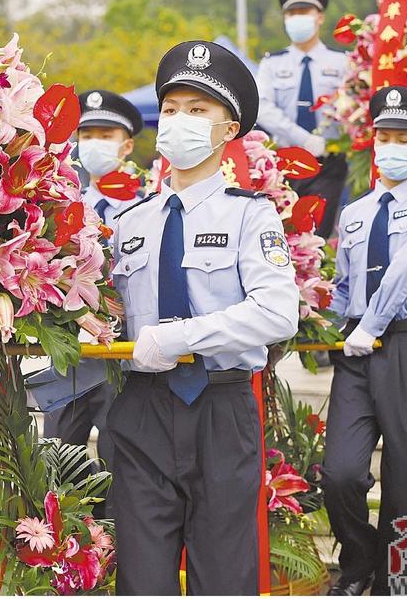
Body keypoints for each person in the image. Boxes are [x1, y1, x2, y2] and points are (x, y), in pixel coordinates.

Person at [107, 40, 299, 595]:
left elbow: (277, 311)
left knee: (224, 574)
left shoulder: (251, 215)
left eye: (198, 111)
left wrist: (182, 336)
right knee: (142, 578)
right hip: (143, 410)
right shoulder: (130, 222)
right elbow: (111, 317)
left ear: (228, 129)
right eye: (170, 110)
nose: (178, 122)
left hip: (219, 406)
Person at [322, 86, 407, 596]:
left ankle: (398, 577)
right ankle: (358, 562)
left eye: (405, 137)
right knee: (341, 473)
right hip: (356, 351)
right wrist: (318, 323)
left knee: (405, 474)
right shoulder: (355, 212)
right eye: (385, 136)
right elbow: (340, 285)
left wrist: (371, 327)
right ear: (371, 141)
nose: (392, 146)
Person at [39, 89, 145, 511]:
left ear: (127, 143)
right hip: (71, 353)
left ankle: (119, 553)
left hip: (125, 354)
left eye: (106, 133)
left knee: (122, 460)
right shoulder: (59, 200)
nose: (95, 142)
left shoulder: (148, 205)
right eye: (87, 133)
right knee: (57, 460)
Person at [256, 0, 348, 238]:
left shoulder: (342, 62)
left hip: (328, 162)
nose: (297, 18)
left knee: (317, 236)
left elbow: (352, 107)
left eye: (304, 11)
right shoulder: (272, 63)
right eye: (291, 13)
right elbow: (263, 107)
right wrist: (303, 138)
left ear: (319, 17)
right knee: (284, 233)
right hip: (285, 160)